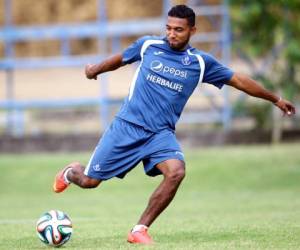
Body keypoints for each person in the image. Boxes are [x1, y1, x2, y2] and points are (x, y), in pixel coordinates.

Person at [53, 4, 296, 244]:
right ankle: (70, 171)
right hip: (127, 127)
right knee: (89, 182)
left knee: (176, 171)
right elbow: (120, 59)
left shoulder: (200, 62)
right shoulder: (149, 45)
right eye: (168, 28)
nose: (171, 33)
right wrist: (94, 69)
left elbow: (239, 80)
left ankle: (139, 229)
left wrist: (275, 98)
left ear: (193, 31)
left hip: (160, 133)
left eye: (178, 29)